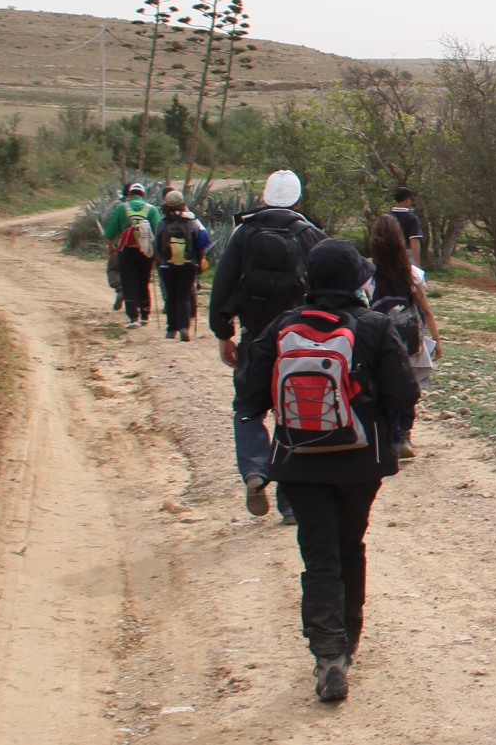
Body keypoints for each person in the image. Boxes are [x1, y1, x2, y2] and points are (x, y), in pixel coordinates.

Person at [238, 238, 419, 702]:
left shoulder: (282, 327)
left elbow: (251, 398)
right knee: (349, 542)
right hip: (361, 461)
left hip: (299, 461)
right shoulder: (375, 326)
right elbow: (404, 395)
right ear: (360, 279)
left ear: (308, 279)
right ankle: (349, 640)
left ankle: (328, 653)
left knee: (318, 553)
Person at [209, 170, 326, 524]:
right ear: (297, 198)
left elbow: (222, 285)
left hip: (255, 337)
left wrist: (223, 333)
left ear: (265, 196)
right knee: (293, 413)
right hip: (299, 342)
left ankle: (256, 470)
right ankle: (290, 504)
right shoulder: (310, 235)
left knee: (247, 408)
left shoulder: (243, 232)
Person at [363, 214, 441, 460]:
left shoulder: (367, 272)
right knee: (407, 384)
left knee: (381, 385)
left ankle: (389, 435)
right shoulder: (412, 273)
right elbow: (425, 310)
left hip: (378, 339)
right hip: (407, 341)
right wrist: (436, 340)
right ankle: (405, 434)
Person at [100, 182, 164, 329]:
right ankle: (145, 315)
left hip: (126, 250)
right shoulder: (151, 209)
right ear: (143, 194)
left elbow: (110, 232)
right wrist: (156, 253)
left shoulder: (121, 208)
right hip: (145, 250)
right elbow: (158, 232)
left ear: (129, 194)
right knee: (144, 282)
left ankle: (133, 318)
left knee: (129, 282)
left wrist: (110, 247)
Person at [154, 189, 211, 341]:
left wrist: (159, 260)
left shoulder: (162, 223)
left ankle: (171, 329)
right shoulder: (192, 222)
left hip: (167, 265)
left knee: (171, 296)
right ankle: (184, 327)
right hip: (189, 264)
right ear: (183, 204)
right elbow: (202, 243)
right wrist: (199, 261)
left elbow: (156, 246)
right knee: (184, 296)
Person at [386, 186, 423, 260]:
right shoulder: (412, 218)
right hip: (406, 255)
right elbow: (414, 240)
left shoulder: (385, 217)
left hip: (388, 255)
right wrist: (417, 262)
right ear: (407, 199)